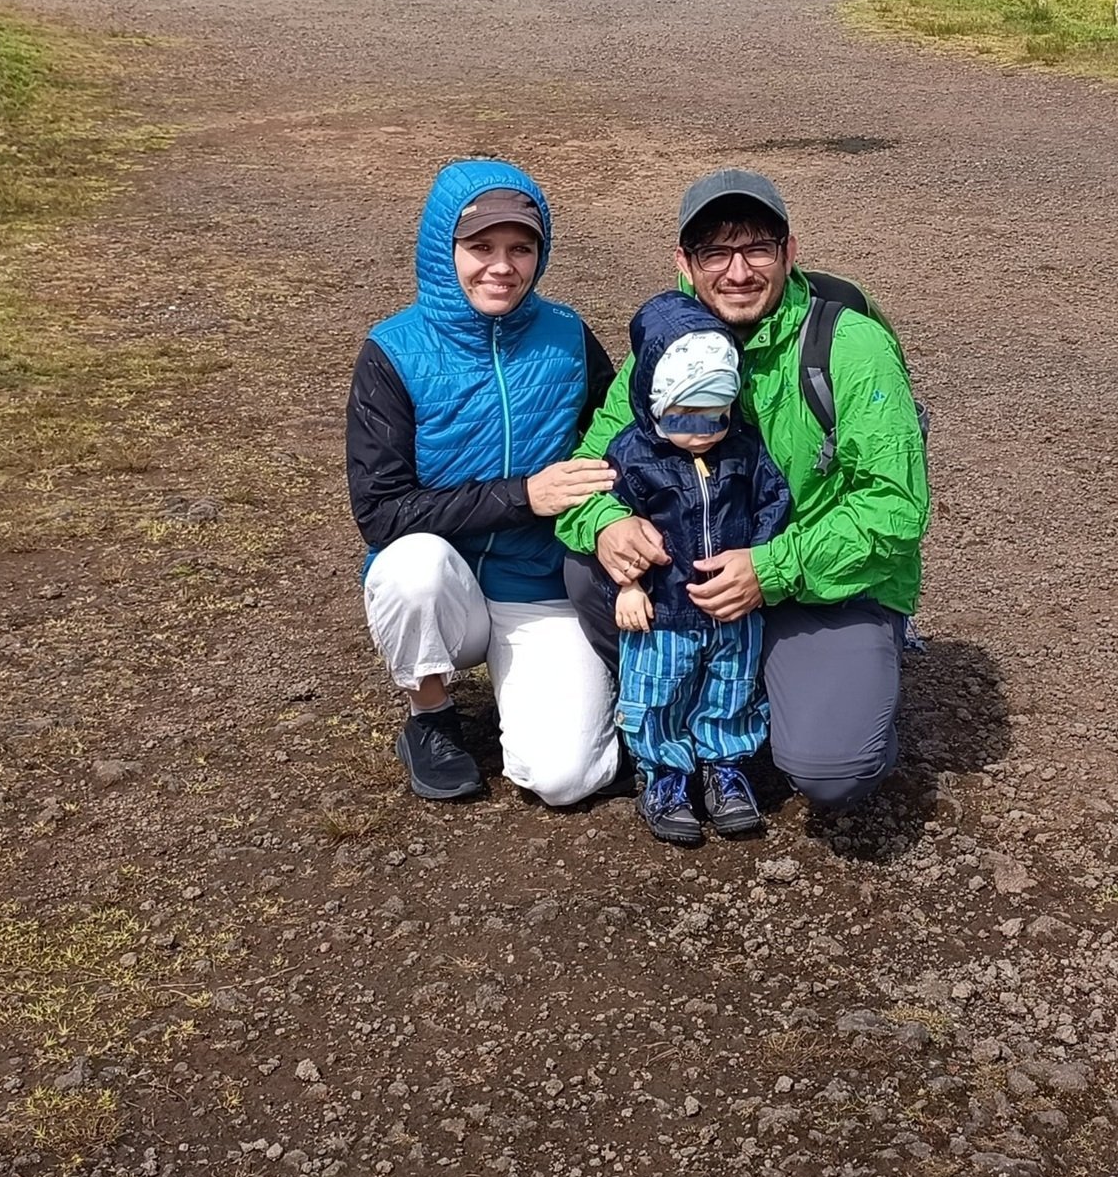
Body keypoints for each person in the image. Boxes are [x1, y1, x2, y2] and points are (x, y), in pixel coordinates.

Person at [556, 170, 929, 814]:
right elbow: (591, 467)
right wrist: (608, 521)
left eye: (756, 248)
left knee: (832, 770)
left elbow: (896, 506)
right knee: (590, 567)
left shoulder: (851, 346)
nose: (737, 272)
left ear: (788, 252)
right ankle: (679, 715)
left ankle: (824, 693)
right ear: (684, 262)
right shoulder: (668, 344)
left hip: (823, 583)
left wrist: (771, 570)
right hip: (701, 586)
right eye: (714, 253)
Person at [348, 160, 621, 806]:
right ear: (445, 248)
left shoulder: (570, 338)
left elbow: (618, 448)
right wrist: (525, 494)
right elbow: (381, 513)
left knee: (567, 779)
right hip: (448, 591)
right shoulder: (392, 350)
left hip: (540, 586)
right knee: (410, 564)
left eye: (520, 247)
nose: (502, 266)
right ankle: (432, 715)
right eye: (481, 246)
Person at [601, 294, 796, 847]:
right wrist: (628, 583)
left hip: (733, 607)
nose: (704, 429)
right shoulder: (633, 457)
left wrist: (758, 559)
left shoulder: (744, 449)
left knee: (729, 688)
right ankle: (664, 774)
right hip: (663, 606)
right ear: (654, 402)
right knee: (658, 688)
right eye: (686, 415)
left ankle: (725, 768)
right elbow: (613, 518)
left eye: (717, 413)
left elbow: (772, 501)